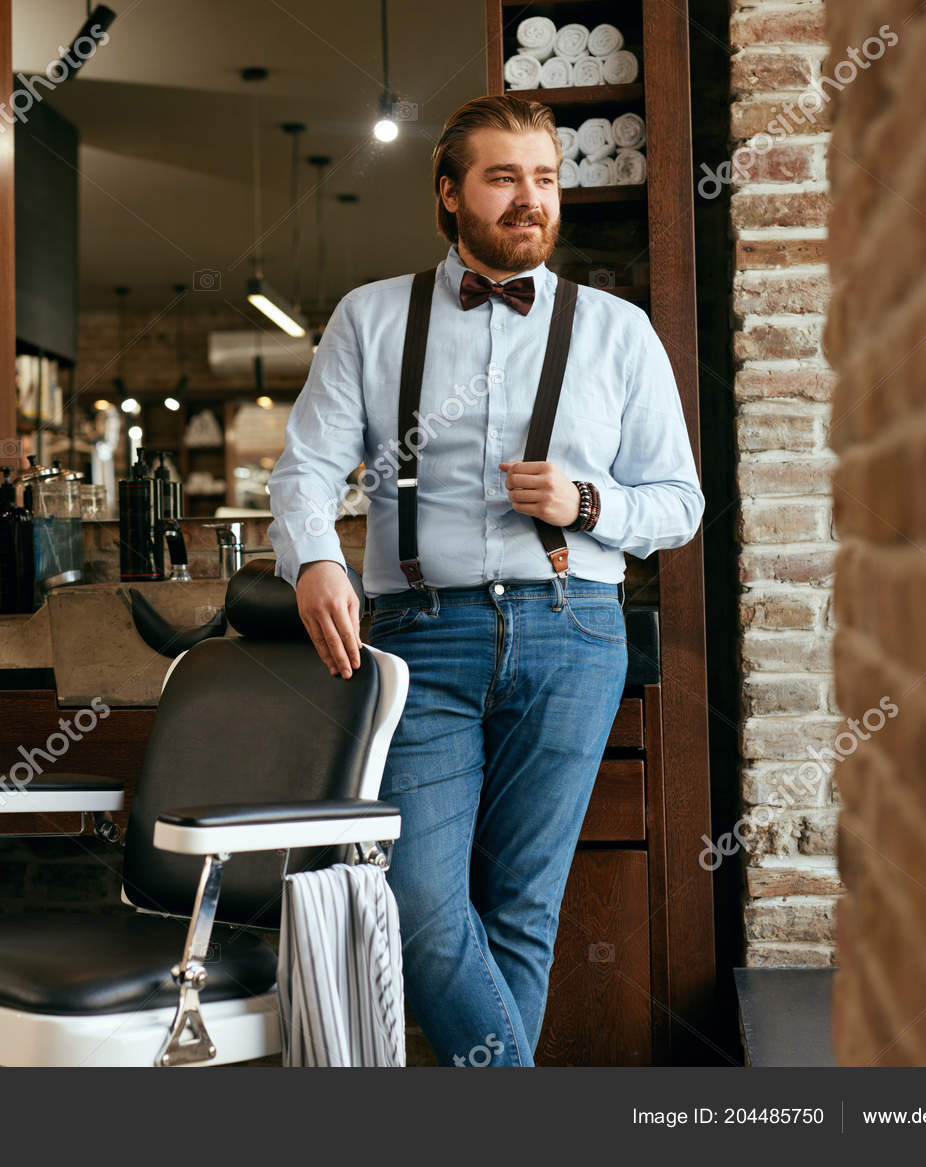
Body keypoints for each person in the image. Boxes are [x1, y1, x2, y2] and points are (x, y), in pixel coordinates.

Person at [268, 95, 703, 1066]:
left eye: (544, 179)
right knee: (417, 903)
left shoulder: (618, 332)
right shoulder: (370, 319)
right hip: (418, 636)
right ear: (448, 195)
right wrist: (312, 559)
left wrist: (587, 504)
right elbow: (303, 472)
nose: (528, 199)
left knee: (521, 907)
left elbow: (679, 505)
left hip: (574, 629)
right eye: (503, 177)